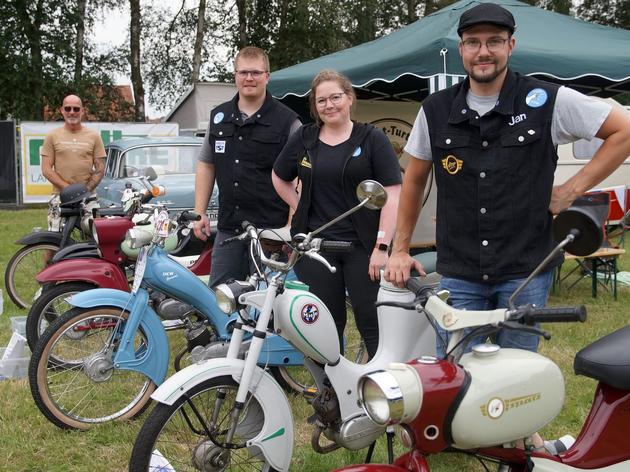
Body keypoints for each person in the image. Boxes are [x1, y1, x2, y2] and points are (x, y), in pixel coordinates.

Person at [385, 2, 630, 453]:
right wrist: (399, 249)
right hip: (459, 267)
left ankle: (520, 441)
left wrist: (574, 187)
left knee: (517, 368)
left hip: (526, 267)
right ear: (461, 49)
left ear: (511, 46)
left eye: (494, 41)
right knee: (455, 368)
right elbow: (414, 178)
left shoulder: (548, 100)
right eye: (474, 42)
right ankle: (459, 438)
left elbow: (623, 129)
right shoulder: (435, 110)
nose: (484, 51)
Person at [272, 69, 402, 359]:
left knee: (372, 323)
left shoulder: (372, 139)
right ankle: (332, 393)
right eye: (321, 101)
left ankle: (379, 385)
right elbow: (279, 177)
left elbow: (392, 194)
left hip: (363, 249)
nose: (329, 105)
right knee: (324, 325)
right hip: (316, 248)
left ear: (350, 99)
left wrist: (382, 246)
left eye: (335, 97)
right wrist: (298, 204)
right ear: (314, 106)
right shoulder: (305, 138)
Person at [193, 46, 300, 287]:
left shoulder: (288, 121)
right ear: (235, 75)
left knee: (268, 306)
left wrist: (291, 228)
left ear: (267, 76)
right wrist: (199, 212)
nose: (248, 78)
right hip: (229, 228)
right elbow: (206, 165)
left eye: (255, 72)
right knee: (221, 300)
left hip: (271, 233)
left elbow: (300, 178)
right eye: (243, 72)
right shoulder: (218, 117)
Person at [41, 94, 106, 231]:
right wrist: (69, 191)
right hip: (60, 196)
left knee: (97, 239)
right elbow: (46, 169)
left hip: (89, 198)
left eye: (76, 109)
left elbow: (100, 168)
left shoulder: (94, 136)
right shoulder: (52, 136)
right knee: (53, 240)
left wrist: (84, 191)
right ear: (62, 110)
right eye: (68, 108)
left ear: (82, 111)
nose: (72, 112)